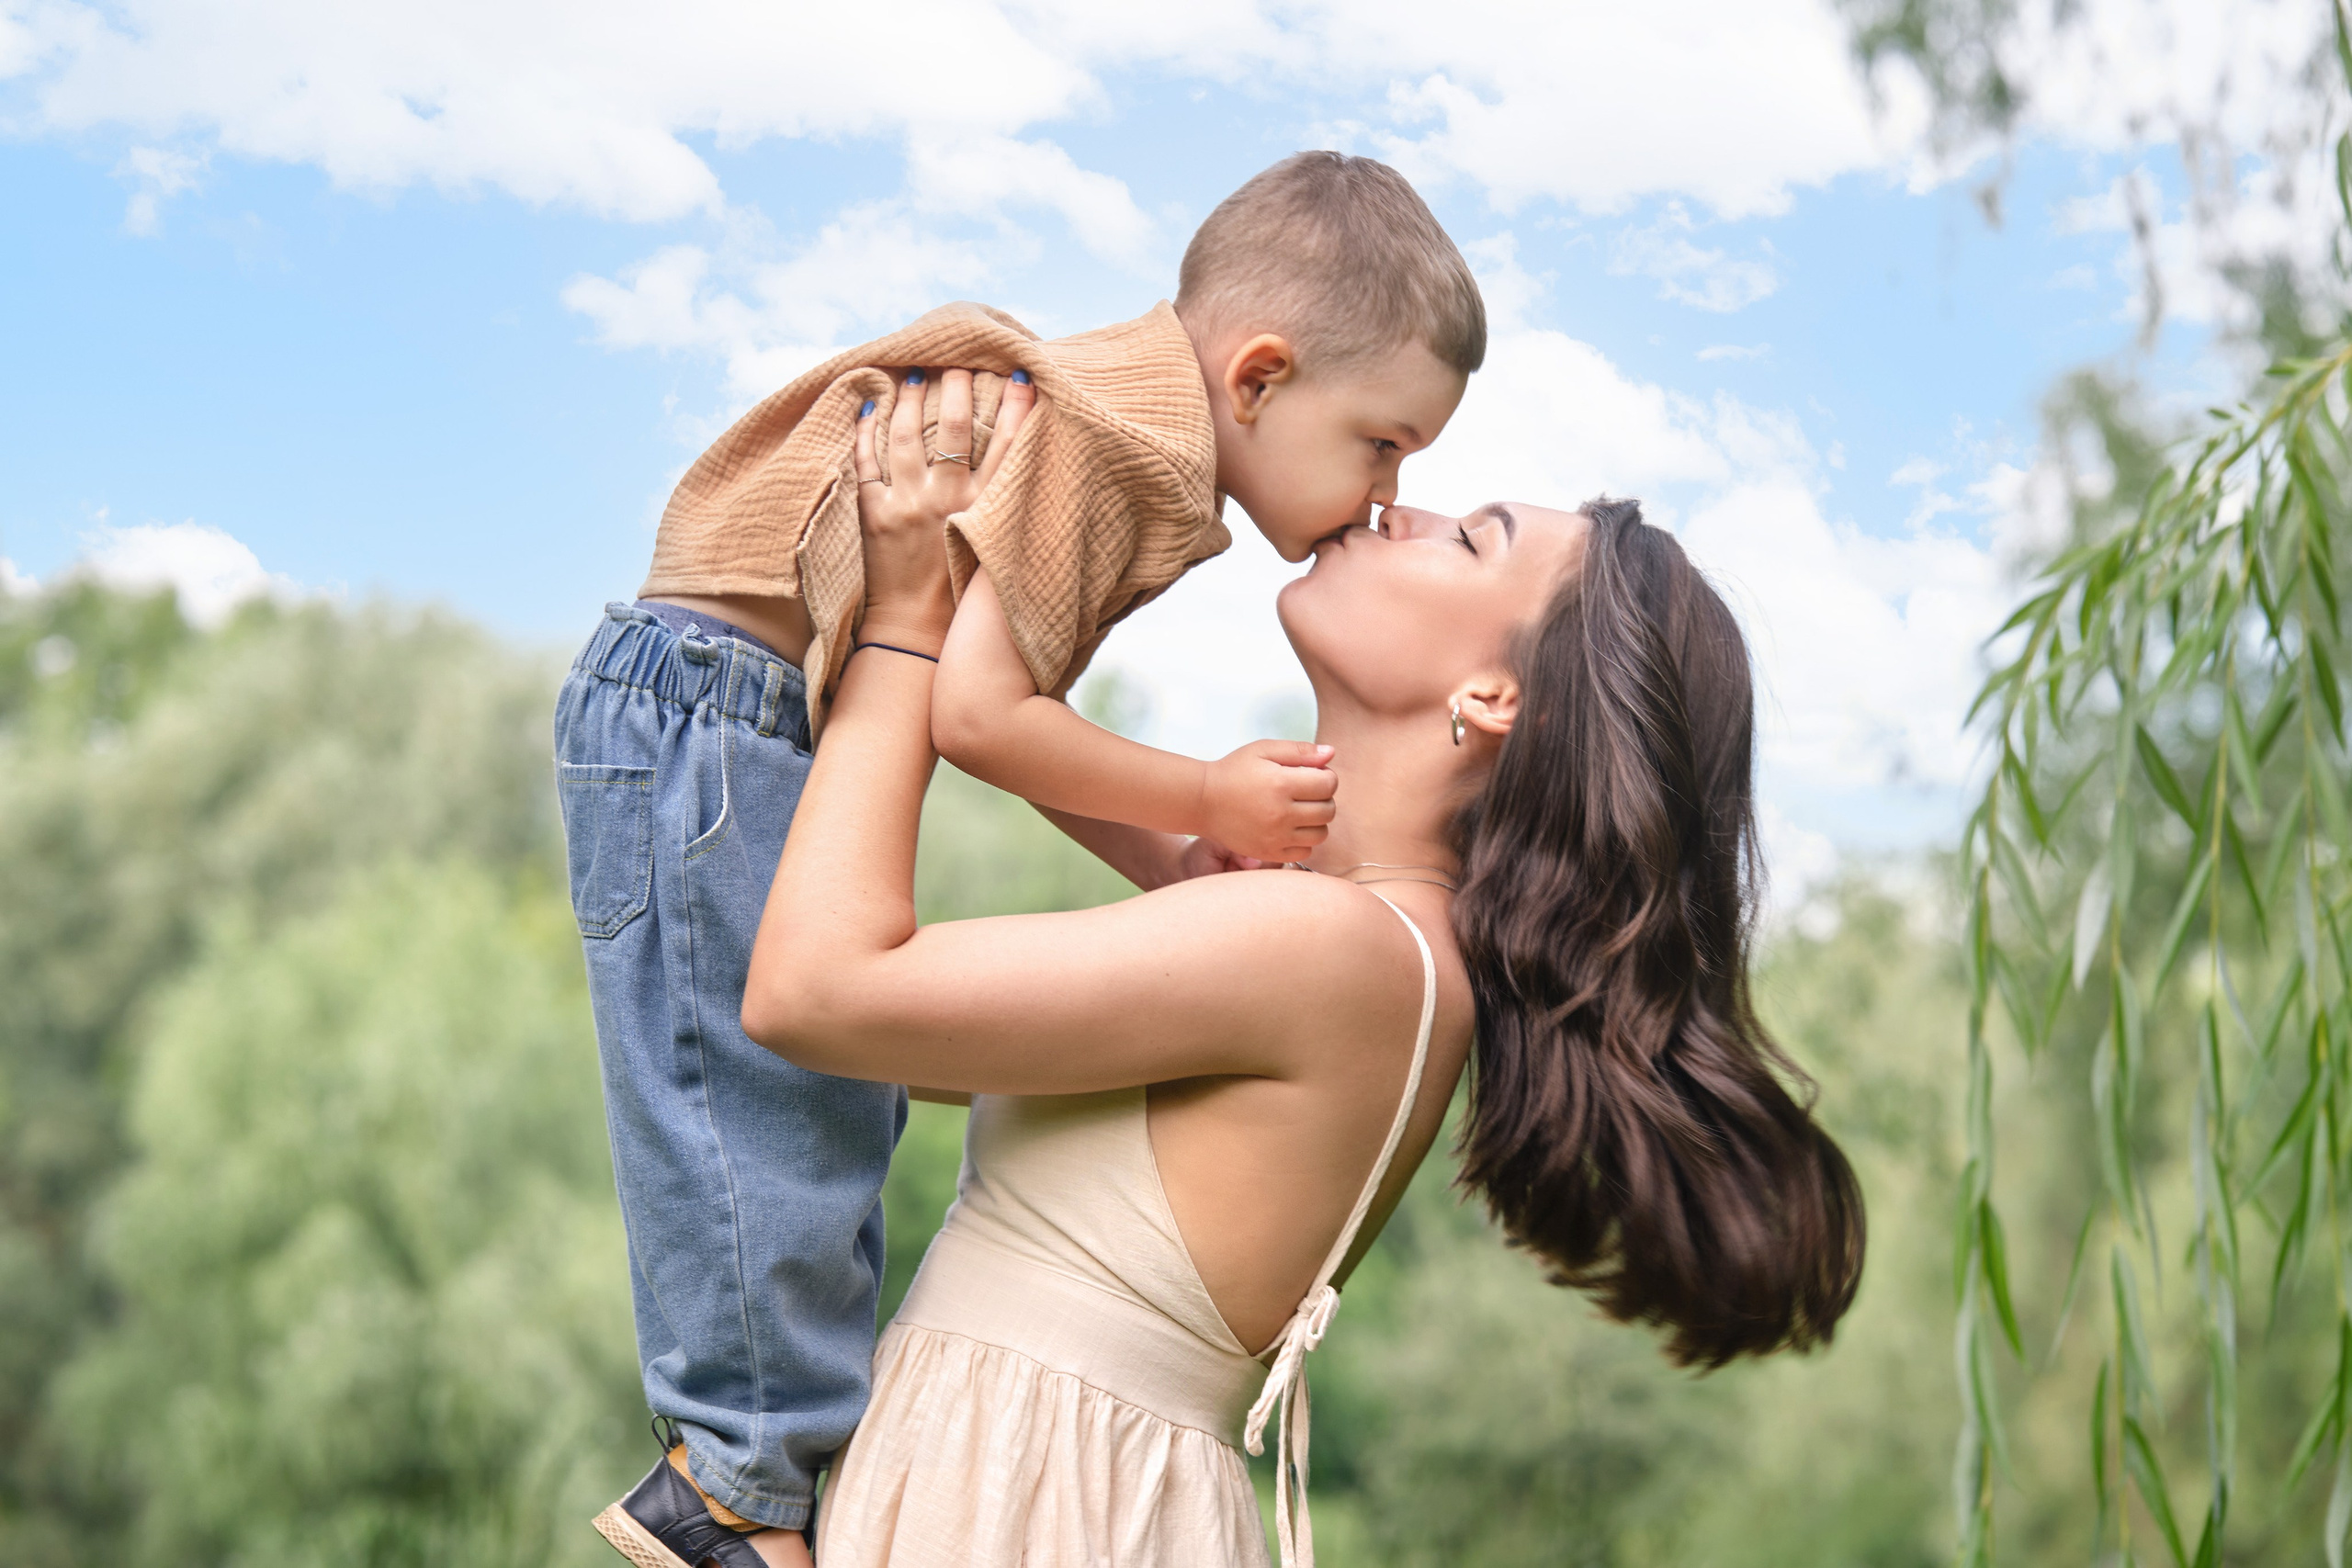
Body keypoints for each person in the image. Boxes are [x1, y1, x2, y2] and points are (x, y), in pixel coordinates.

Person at [736, 385, 1868, 1567]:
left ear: (1491, 699)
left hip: (1029, 1505)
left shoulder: (1337, 955)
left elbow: (814, 995)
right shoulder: (1347, 936)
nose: (1397, 509)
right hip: (1023, 1490)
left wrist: (906, 615)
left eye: (1470, 538)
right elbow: (1000, 764)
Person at [566, 153, 1484, 1568]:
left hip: (728, 696)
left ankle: (744, 1466)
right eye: (1383, 442)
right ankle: (734, 1487)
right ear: (1258, 379)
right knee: (753, 1105)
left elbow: (996, 708)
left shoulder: (1127, 435)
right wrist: (1203, 797)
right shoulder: (1134, 455)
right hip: (715, 700)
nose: (1385, 492)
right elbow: (984, 714)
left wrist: (1175, 854)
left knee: (814, 1108)